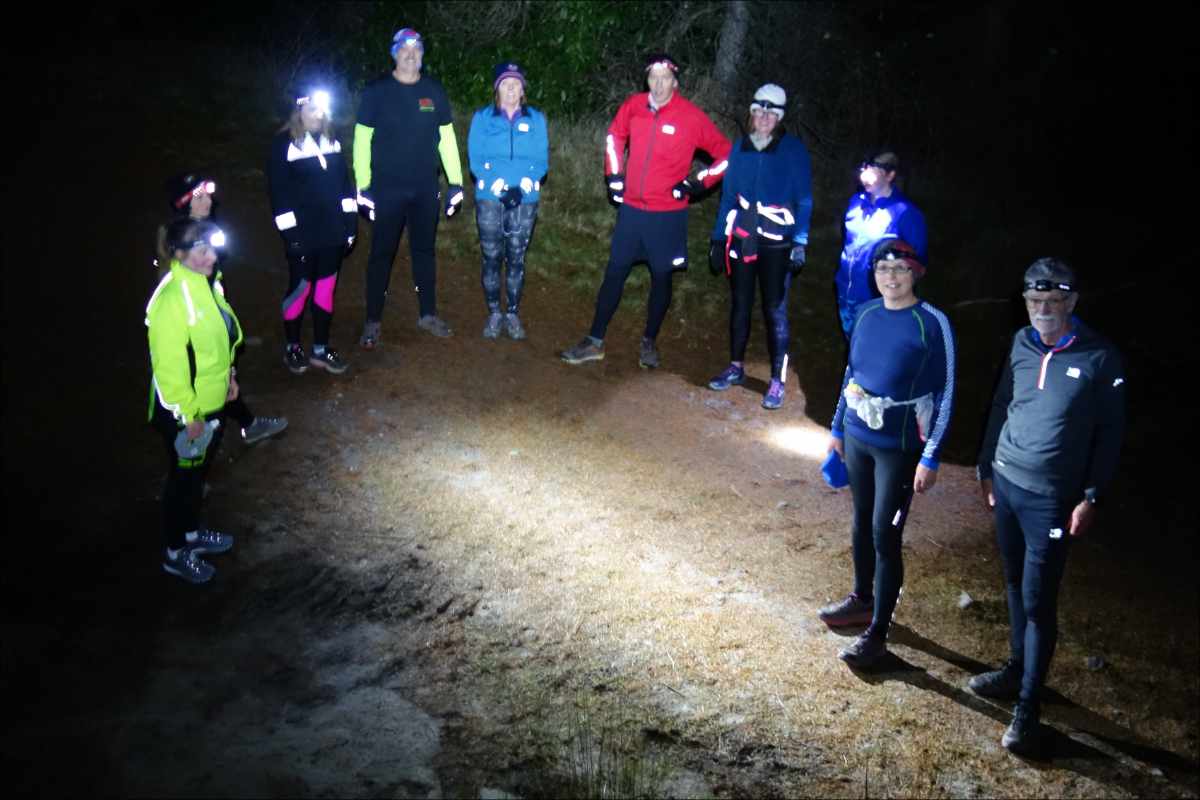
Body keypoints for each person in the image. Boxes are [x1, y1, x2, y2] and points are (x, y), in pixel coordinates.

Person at [971, 258, 1125, 756]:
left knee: (1039, 601)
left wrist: (1092, 495)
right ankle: (1016, 670)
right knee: (1014, 583)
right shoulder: (1020, 342)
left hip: (1052, 499)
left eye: (1053, 302)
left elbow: (1110, 433)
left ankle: (1028, 710)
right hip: (1008, 482)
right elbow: (1001, 403)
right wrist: (986, 466)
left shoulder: (1100, 356)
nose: (1042, 311)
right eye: (1034, 302)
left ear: (1072, 302)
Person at [819, 238, 955, 668]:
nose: (890, 278)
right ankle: (861, 598)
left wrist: (930, 454)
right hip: (860, 434)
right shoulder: (866, 313)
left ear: (916, 273)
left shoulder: (932, 322)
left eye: (899, 269)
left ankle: (879, 632)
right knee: (861, 521)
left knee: (884, 532)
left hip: (899, 445)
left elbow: (947, 390)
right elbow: (851, 371)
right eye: (882, 269)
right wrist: (838, 425)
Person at [560, 53, 731, 369]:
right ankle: (595, 340)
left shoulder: (691, 117)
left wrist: (697, 184)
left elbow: (726, 155)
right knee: (614, 273)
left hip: (667, 215)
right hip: (632, 212)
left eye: (665, 77)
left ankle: (649, 341)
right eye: (653, 76)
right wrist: (614, 175)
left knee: (662, 278)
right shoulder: (634, 106)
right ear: (647, 79)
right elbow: (614, 136)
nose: (659, 83)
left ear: (675, 82)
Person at [354, 27, 465, 347]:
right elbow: (362, 141)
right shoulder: (377, 92)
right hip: (387, 189)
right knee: (381, 254)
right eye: (404, 48)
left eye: (417, 48)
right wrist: (363, 186)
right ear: (394, 53)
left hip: (424, 188)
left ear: (422, 55)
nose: (411, 53)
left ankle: (428, 313)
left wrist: (456, 182)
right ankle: (373, 320)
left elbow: (446, 138)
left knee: (424, 252)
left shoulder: (434, 91)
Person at [146, 218, 241, 584]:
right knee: (182, 481)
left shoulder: (209, 284)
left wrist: (230, 375)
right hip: (184, 413)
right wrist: (190, 415)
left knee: (196, 476)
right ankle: (174, 552)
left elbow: (222, 337)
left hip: (210, 403)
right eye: (200, 250)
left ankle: (191, 535)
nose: (211, 256)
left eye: (213, 248)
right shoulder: (170, 300)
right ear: (179, 254)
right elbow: (169, 369)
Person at [706, 83, 812, 409]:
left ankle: (777, 381)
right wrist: (718, 237)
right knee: (740, 302)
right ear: (752, 113)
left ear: (779, 117)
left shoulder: (792, 150)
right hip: (744, 236)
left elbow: (804, 199)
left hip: (778, 242)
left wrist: (800, 241)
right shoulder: (740, 148)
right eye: (759, 110)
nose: (764, 117)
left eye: (771, 112)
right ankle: (736, 366)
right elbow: (727, 198)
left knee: (774, 310)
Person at [163, 172, 288, 445]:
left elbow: (213, 278)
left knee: (217, 376)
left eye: (208, 194)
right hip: (192, 327)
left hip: (210, 315)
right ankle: (189, 456)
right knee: (197, 381)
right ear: (184, 204)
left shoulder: (206, 227)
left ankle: (245, 426)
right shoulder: (177, 242)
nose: (209, 200)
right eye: (200, 196)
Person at [267, 87, 358, 374]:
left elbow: (345, 187)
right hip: (303, 234)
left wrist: (350, 225)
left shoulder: (333, 141)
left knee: (325, 289)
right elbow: (279, 195)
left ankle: (320, 348)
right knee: (300, 289)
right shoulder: (283, 144)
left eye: (321, 110)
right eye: (311, 109)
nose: (318, 115)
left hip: (332, 231)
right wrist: (291, 236)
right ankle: (292, 346)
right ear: (299, 110)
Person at [467, 61, 549, 339]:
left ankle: (512, 313)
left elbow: (541, 161)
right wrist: (498, 186)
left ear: (523, 89)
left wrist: (522, 187)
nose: (511, 88)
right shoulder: (482, 118)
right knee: (491, 257)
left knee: (516, 258)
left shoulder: (536, 119)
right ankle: (494, 313)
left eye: (516, 83)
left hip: (525, 198)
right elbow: (475, 160)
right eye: (505, 83)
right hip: (490, 197)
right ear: (497, 88)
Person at [834, 151, 927, 338]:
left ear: (890, 175)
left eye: (874, 171)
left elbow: (917, 264)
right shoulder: (855, 203)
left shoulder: (906, 213)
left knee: (872, 349)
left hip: (877, 299)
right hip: (846, 290)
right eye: (864, 170)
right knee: (852, 342)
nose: (865, 176)